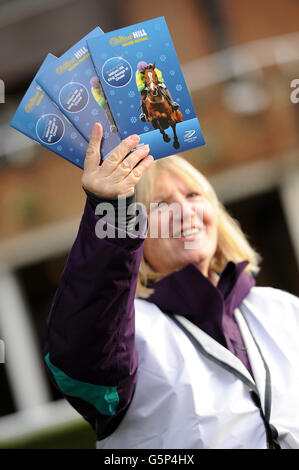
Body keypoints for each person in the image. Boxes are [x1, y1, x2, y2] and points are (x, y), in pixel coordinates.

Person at [44, 123, 299, 449]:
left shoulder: (280, 307)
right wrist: (112, 212)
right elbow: (79, 360)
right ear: (139, 234)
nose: (184, 209)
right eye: (162, 203)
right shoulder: (128, 329)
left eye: (193, 195)